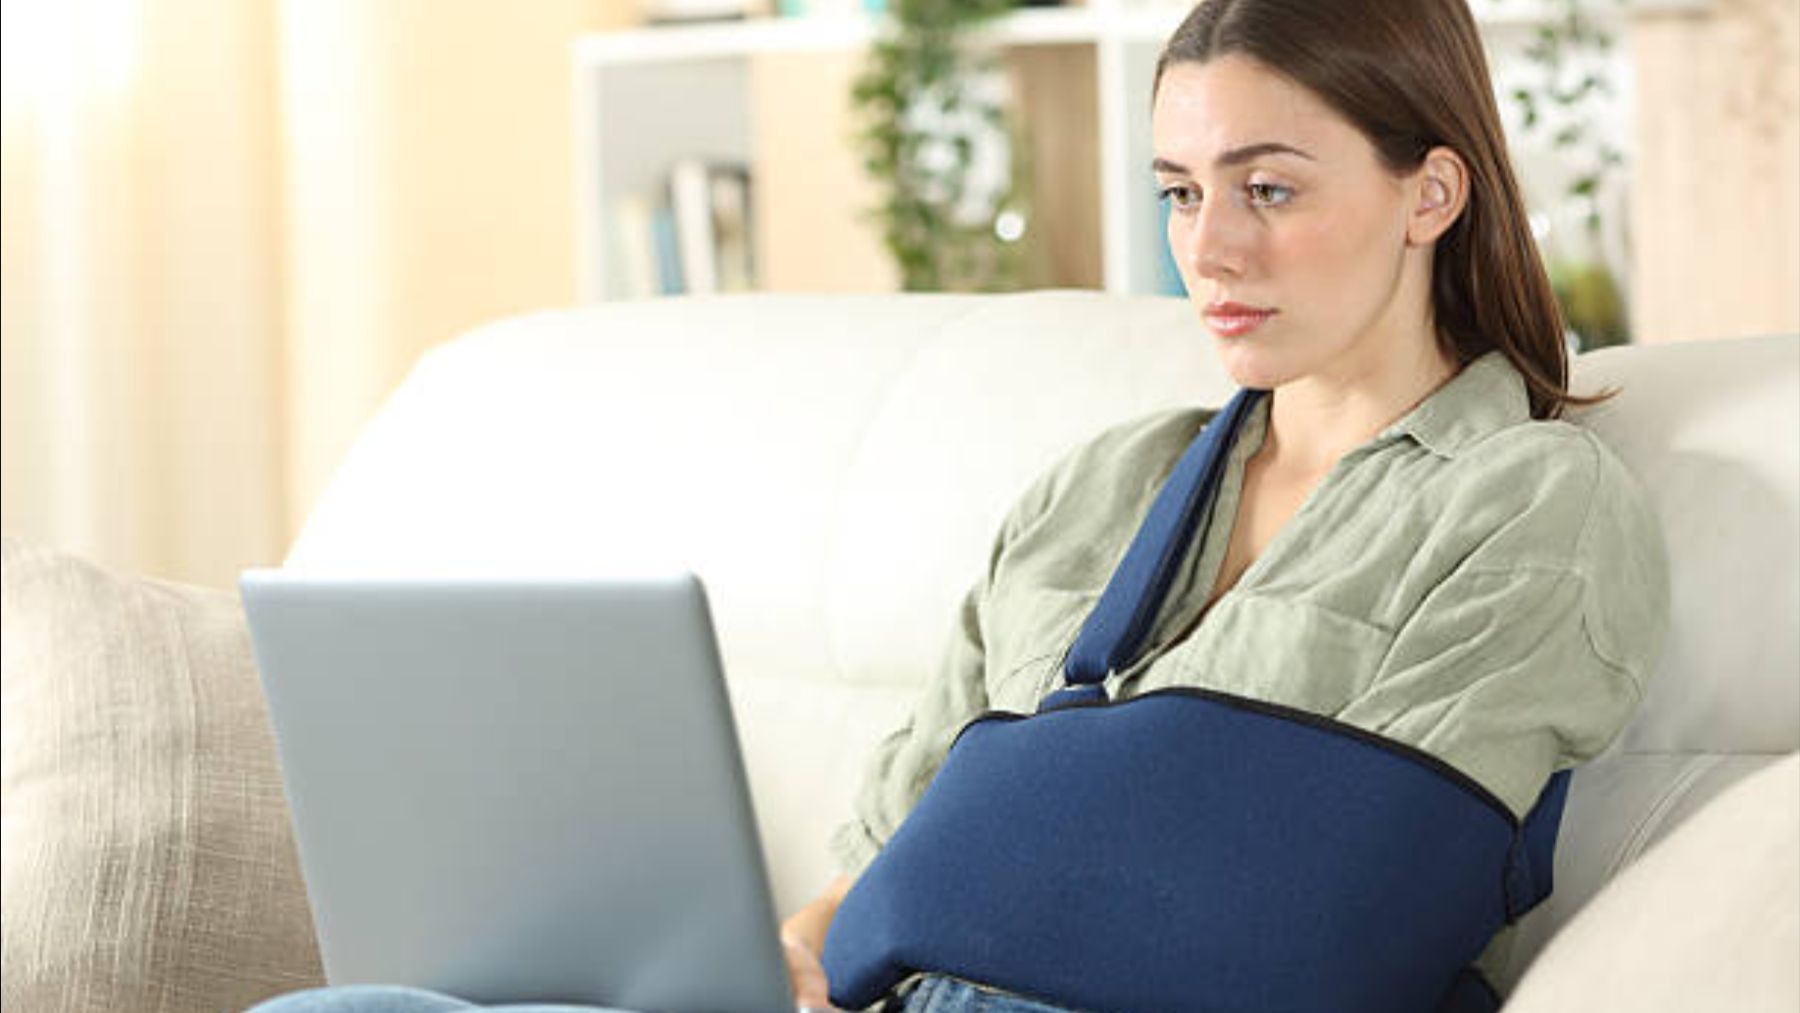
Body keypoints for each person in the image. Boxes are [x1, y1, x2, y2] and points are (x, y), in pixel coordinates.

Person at [248, 0, 1669, 1010]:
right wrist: (801, 950)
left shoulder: (1528, 505)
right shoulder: (1099, 491)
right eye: (1181, 193)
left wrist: (958, 876)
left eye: (1270, 190)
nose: (1210, 250)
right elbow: (891, 861)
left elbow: (1329, 918)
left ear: (1431, 194)